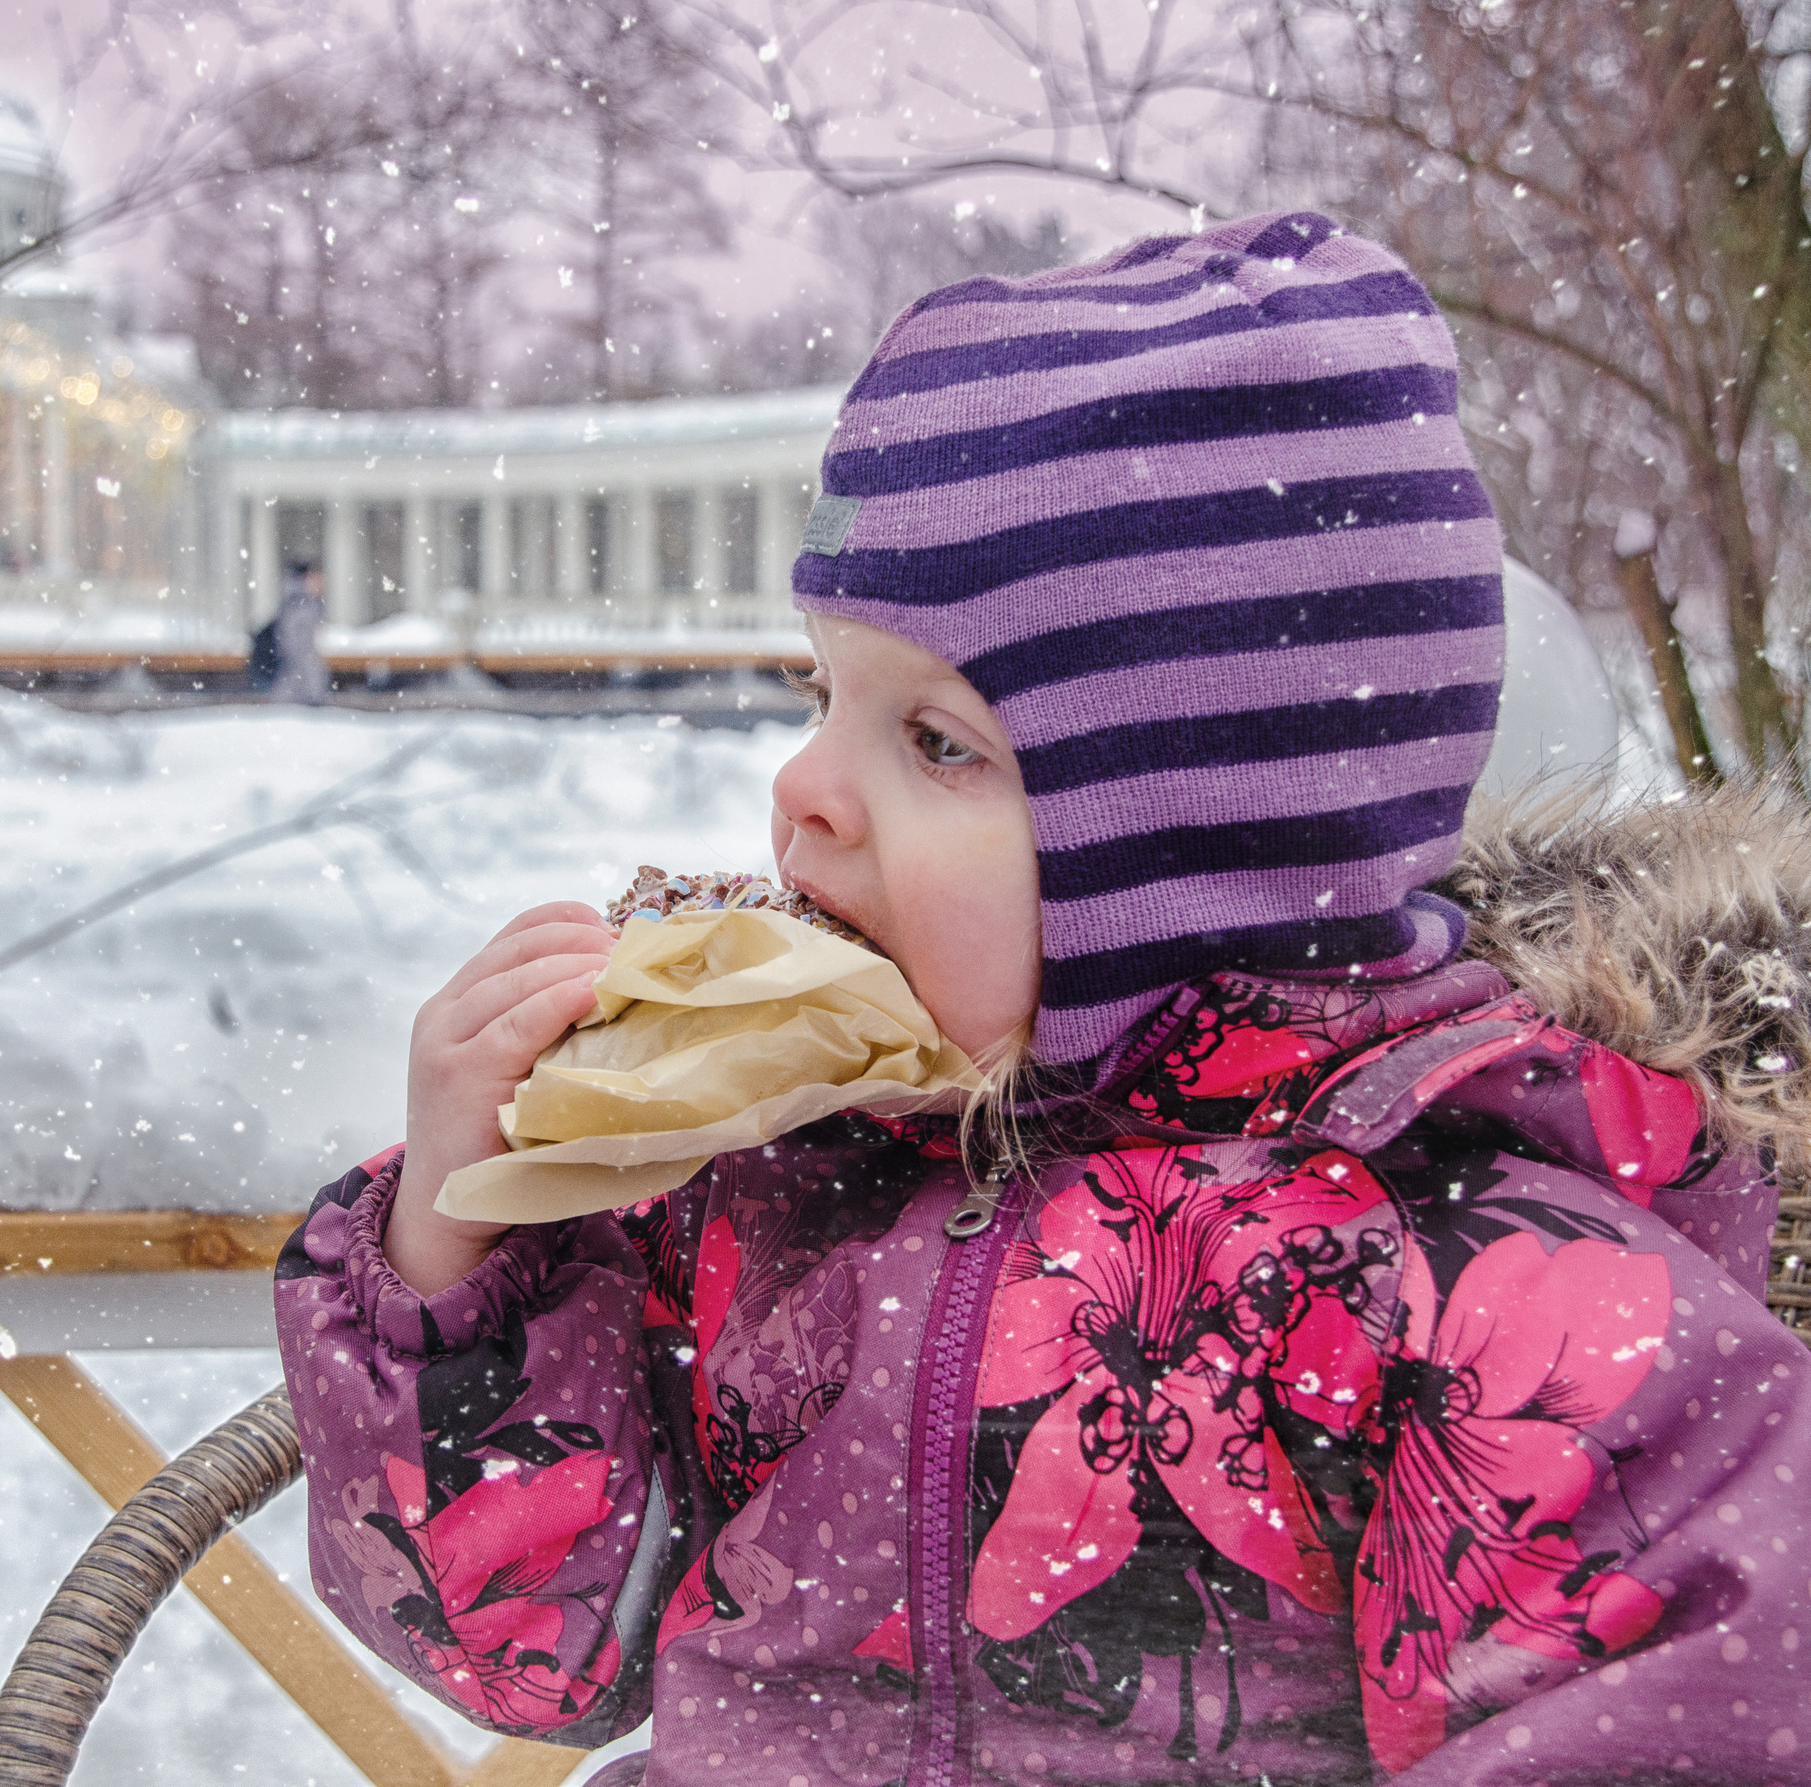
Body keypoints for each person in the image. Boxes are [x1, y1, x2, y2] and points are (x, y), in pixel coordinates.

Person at [275, 211, 1811, 1785]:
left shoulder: (1490, 1281)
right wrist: (459, 1256)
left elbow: (1677, 1719)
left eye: (936, 741)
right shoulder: (781, 1183)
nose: (804, 788)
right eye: (823, 695)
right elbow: (544, 1652)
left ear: (1191, 842)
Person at [272, 559, 329, 706]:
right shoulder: (301, 609)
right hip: (298, 699)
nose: (321, 582)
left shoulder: (296, 604)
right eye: (315, 577)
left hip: (293, 696)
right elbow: (302, 656)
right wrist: (315, 695)